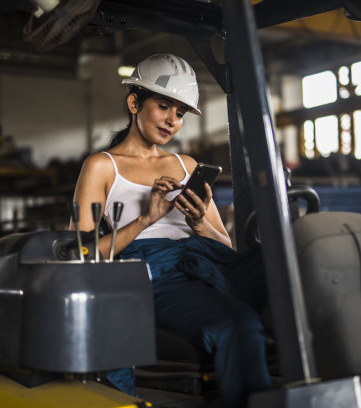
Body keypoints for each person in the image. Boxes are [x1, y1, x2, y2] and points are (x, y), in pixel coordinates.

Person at [70, 54, 271, 408]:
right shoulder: (102, 166)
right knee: (239, 324)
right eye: (164, 106)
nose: (172, 121)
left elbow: (225, 245)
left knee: (287, 258)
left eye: (179, 113)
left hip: (206, 261)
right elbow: (80, 255)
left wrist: (198, 222)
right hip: (150, 273)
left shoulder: (186, 165)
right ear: (135, 103)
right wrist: (146, 219)